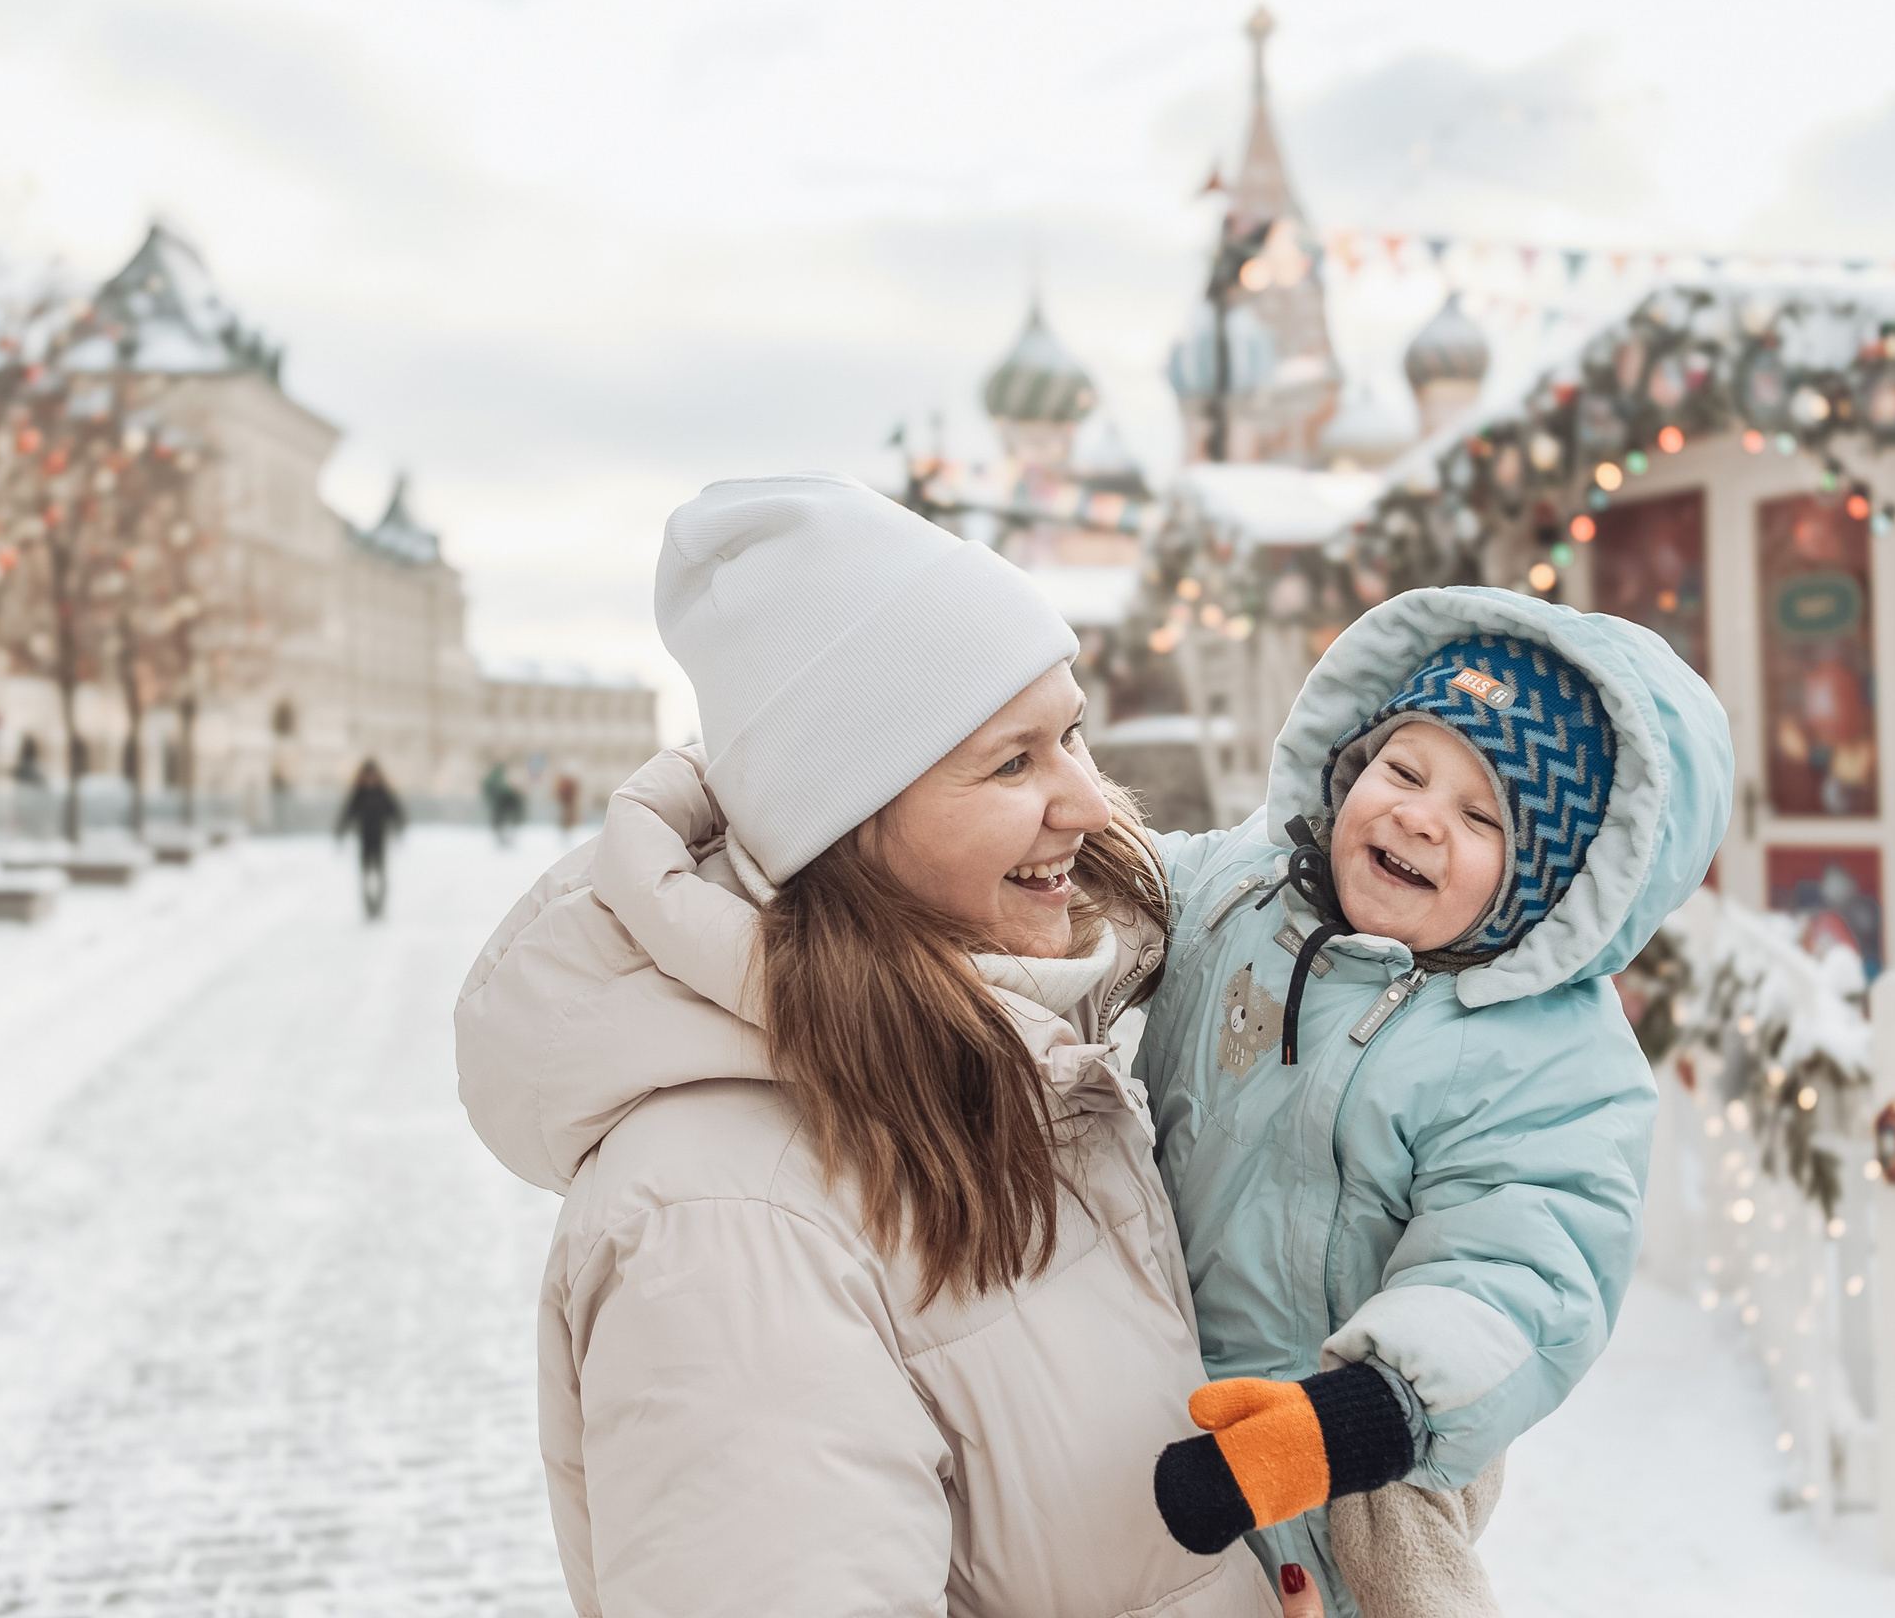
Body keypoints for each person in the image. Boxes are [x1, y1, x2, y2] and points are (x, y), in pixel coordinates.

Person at [454, 473, 1285, 1618]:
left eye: (1073, 735)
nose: (1090, 803)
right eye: (1012, 762)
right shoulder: (727, 1222)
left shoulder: (1018, 1053)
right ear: (845, 822)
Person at [1137, 586, 1733, 1615]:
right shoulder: (1244, 889)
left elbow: (1519, 1268)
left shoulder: (1541, 1056)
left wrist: (1361, 1417)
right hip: (1143, 1381)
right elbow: (1120, 892)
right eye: (1402, 768)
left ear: (1542, 881)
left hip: (1344, 1456)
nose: (1416, 814)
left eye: (1478, 815)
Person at [336, 758, 404, 920]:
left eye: (372, 776)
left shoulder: (383, 793)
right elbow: (347, 813)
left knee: (380, 874)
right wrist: (340, 831)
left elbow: (396, 811)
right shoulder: (358, 794)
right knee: (365, 875)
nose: (369, 779)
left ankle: (379, 906)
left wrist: (399, 826)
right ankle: (369, 907)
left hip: (380, 839)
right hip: (365, 840)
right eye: (366, 776)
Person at [479, 760, 522, 847]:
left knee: (500, 822)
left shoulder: (491, 778)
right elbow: (502, 789)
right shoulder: (496, 777)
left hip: (498, 804)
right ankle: (504, 840)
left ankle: (503, 839)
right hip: (501, 803)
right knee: (502, 822)